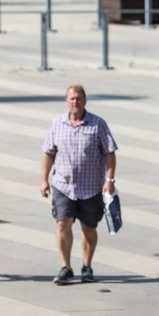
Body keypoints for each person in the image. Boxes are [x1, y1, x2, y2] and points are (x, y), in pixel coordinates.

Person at [41, 84, 118, 285]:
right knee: (62, 223)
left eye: (79, 98)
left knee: (89, 228)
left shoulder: (97, 124)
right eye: (72, 98)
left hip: (91, 187)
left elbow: (109, 153)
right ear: (67, 101)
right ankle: (65, 267)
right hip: (63, 185)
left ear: (85, 101)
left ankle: (87, 266)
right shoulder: (57, 123)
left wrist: (109, 181)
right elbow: (48, 153)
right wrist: (43, 180)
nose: (75, 102)